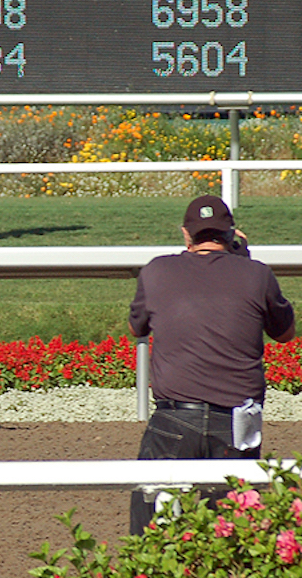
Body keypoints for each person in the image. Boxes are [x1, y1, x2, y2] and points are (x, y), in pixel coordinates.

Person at [127, 194, 295, 534]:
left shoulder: (157, 270)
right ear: (230, 234)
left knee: (149, 535)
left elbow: (136, 329)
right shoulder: (257, 274)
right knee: (233, 536)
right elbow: (285, 333)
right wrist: (243, 260)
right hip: (236, 424)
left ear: (186, 234)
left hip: (174, 420)